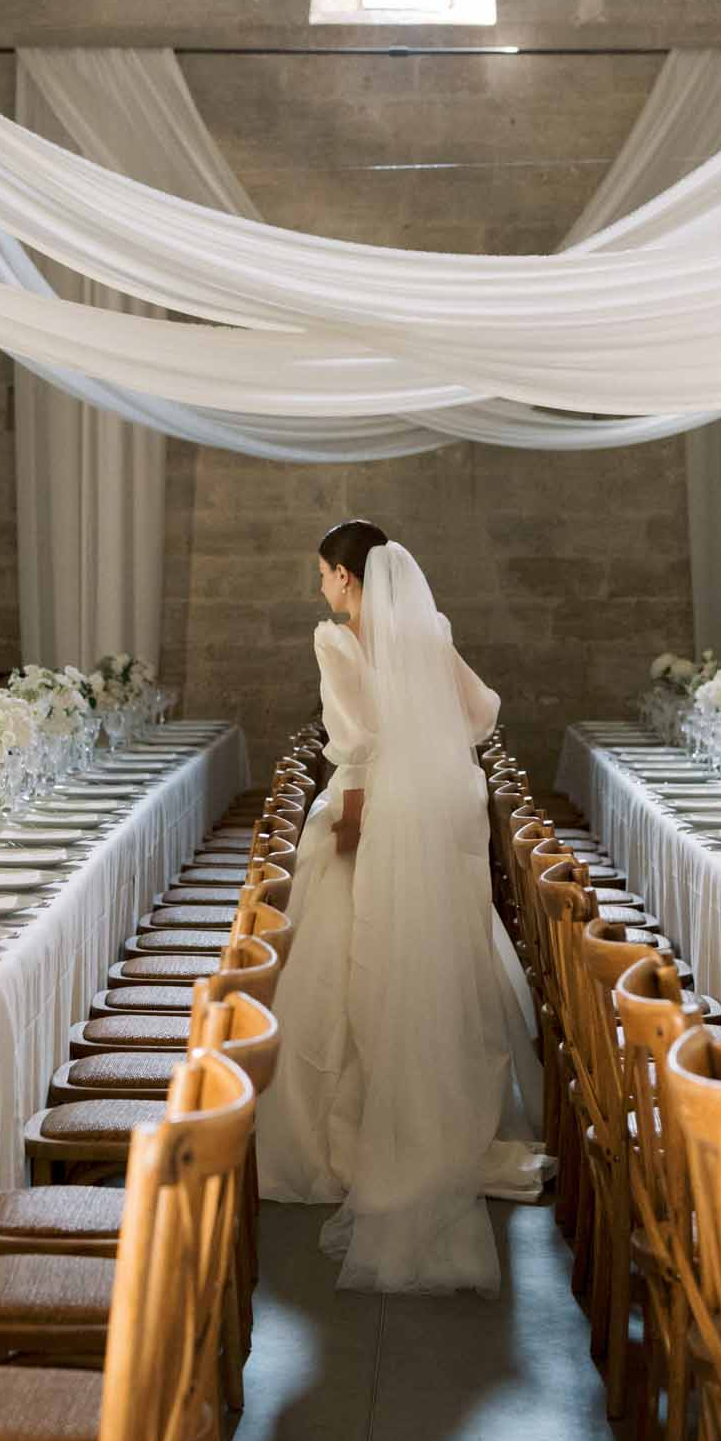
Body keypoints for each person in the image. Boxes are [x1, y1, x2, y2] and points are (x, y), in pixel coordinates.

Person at [256, 519, 552, 1296]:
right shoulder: (429, 632)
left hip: (383, 809)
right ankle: (445, 1114)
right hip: (447, 805)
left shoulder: (338, 640)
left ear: (347, 580)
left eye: (323, 573)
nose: (320, 586)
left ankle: (352, 1137)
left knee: (362, 952)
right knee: (439, 951)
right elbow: (482, 711)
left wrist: (349, 826)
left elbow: (352, 746)